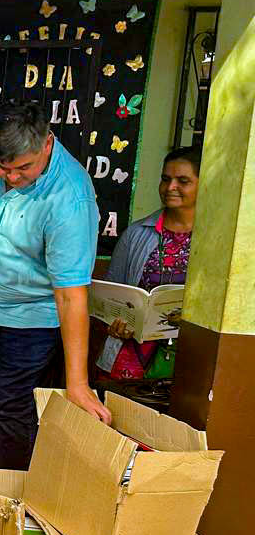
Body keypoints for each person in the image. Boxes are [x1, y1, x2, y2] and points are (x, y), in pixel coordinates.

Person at [0, 101, 110, 472]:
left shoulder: (70, 198)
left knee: (13, 407)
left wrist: (77, 383)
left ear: (47, 143)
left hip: (33, 317)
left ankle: (13, 495)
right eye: (2, 168)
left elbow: (71, 293)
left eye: (23, 168)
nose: (11, 177)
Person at [100, 146, 201, 380]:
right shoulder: (137, 233)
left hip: (191, 356)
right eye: (166, 179)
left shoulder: (216, 239)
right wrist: (114, 322)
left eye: (183, 181)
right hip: (132, 353)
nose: (170, 187)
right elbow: (112, 292)